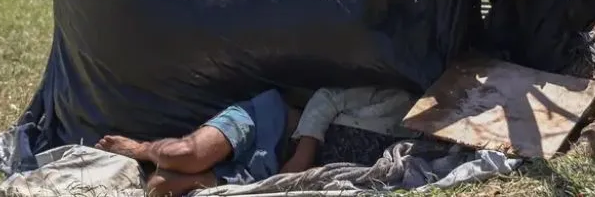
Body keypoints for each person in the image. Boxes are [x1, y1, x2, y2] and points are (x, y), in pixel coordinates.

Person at [97, 87, 415, 197]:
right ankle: (142, 149)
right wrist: (305, 151)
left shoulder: (422, 150)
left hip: (270, 170)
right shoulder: (404, 105)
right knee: (187, 154)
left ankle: (175, 172)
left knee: (160, 187)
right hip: (268, 122)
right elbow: (327, 97)